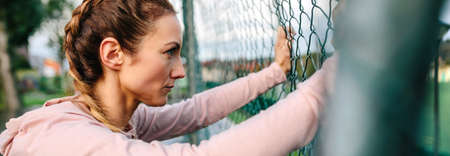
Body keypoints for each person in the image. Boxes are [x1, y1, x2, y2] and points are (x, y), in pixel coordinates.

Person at [0, 0, 337, 155]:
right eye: (169, 51)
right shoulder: (66, 140)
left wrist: (275, 73)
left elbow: (196, 111)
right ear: (113, 54)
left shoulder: (115, 118)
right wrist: (333, 79)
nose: (181, 70)